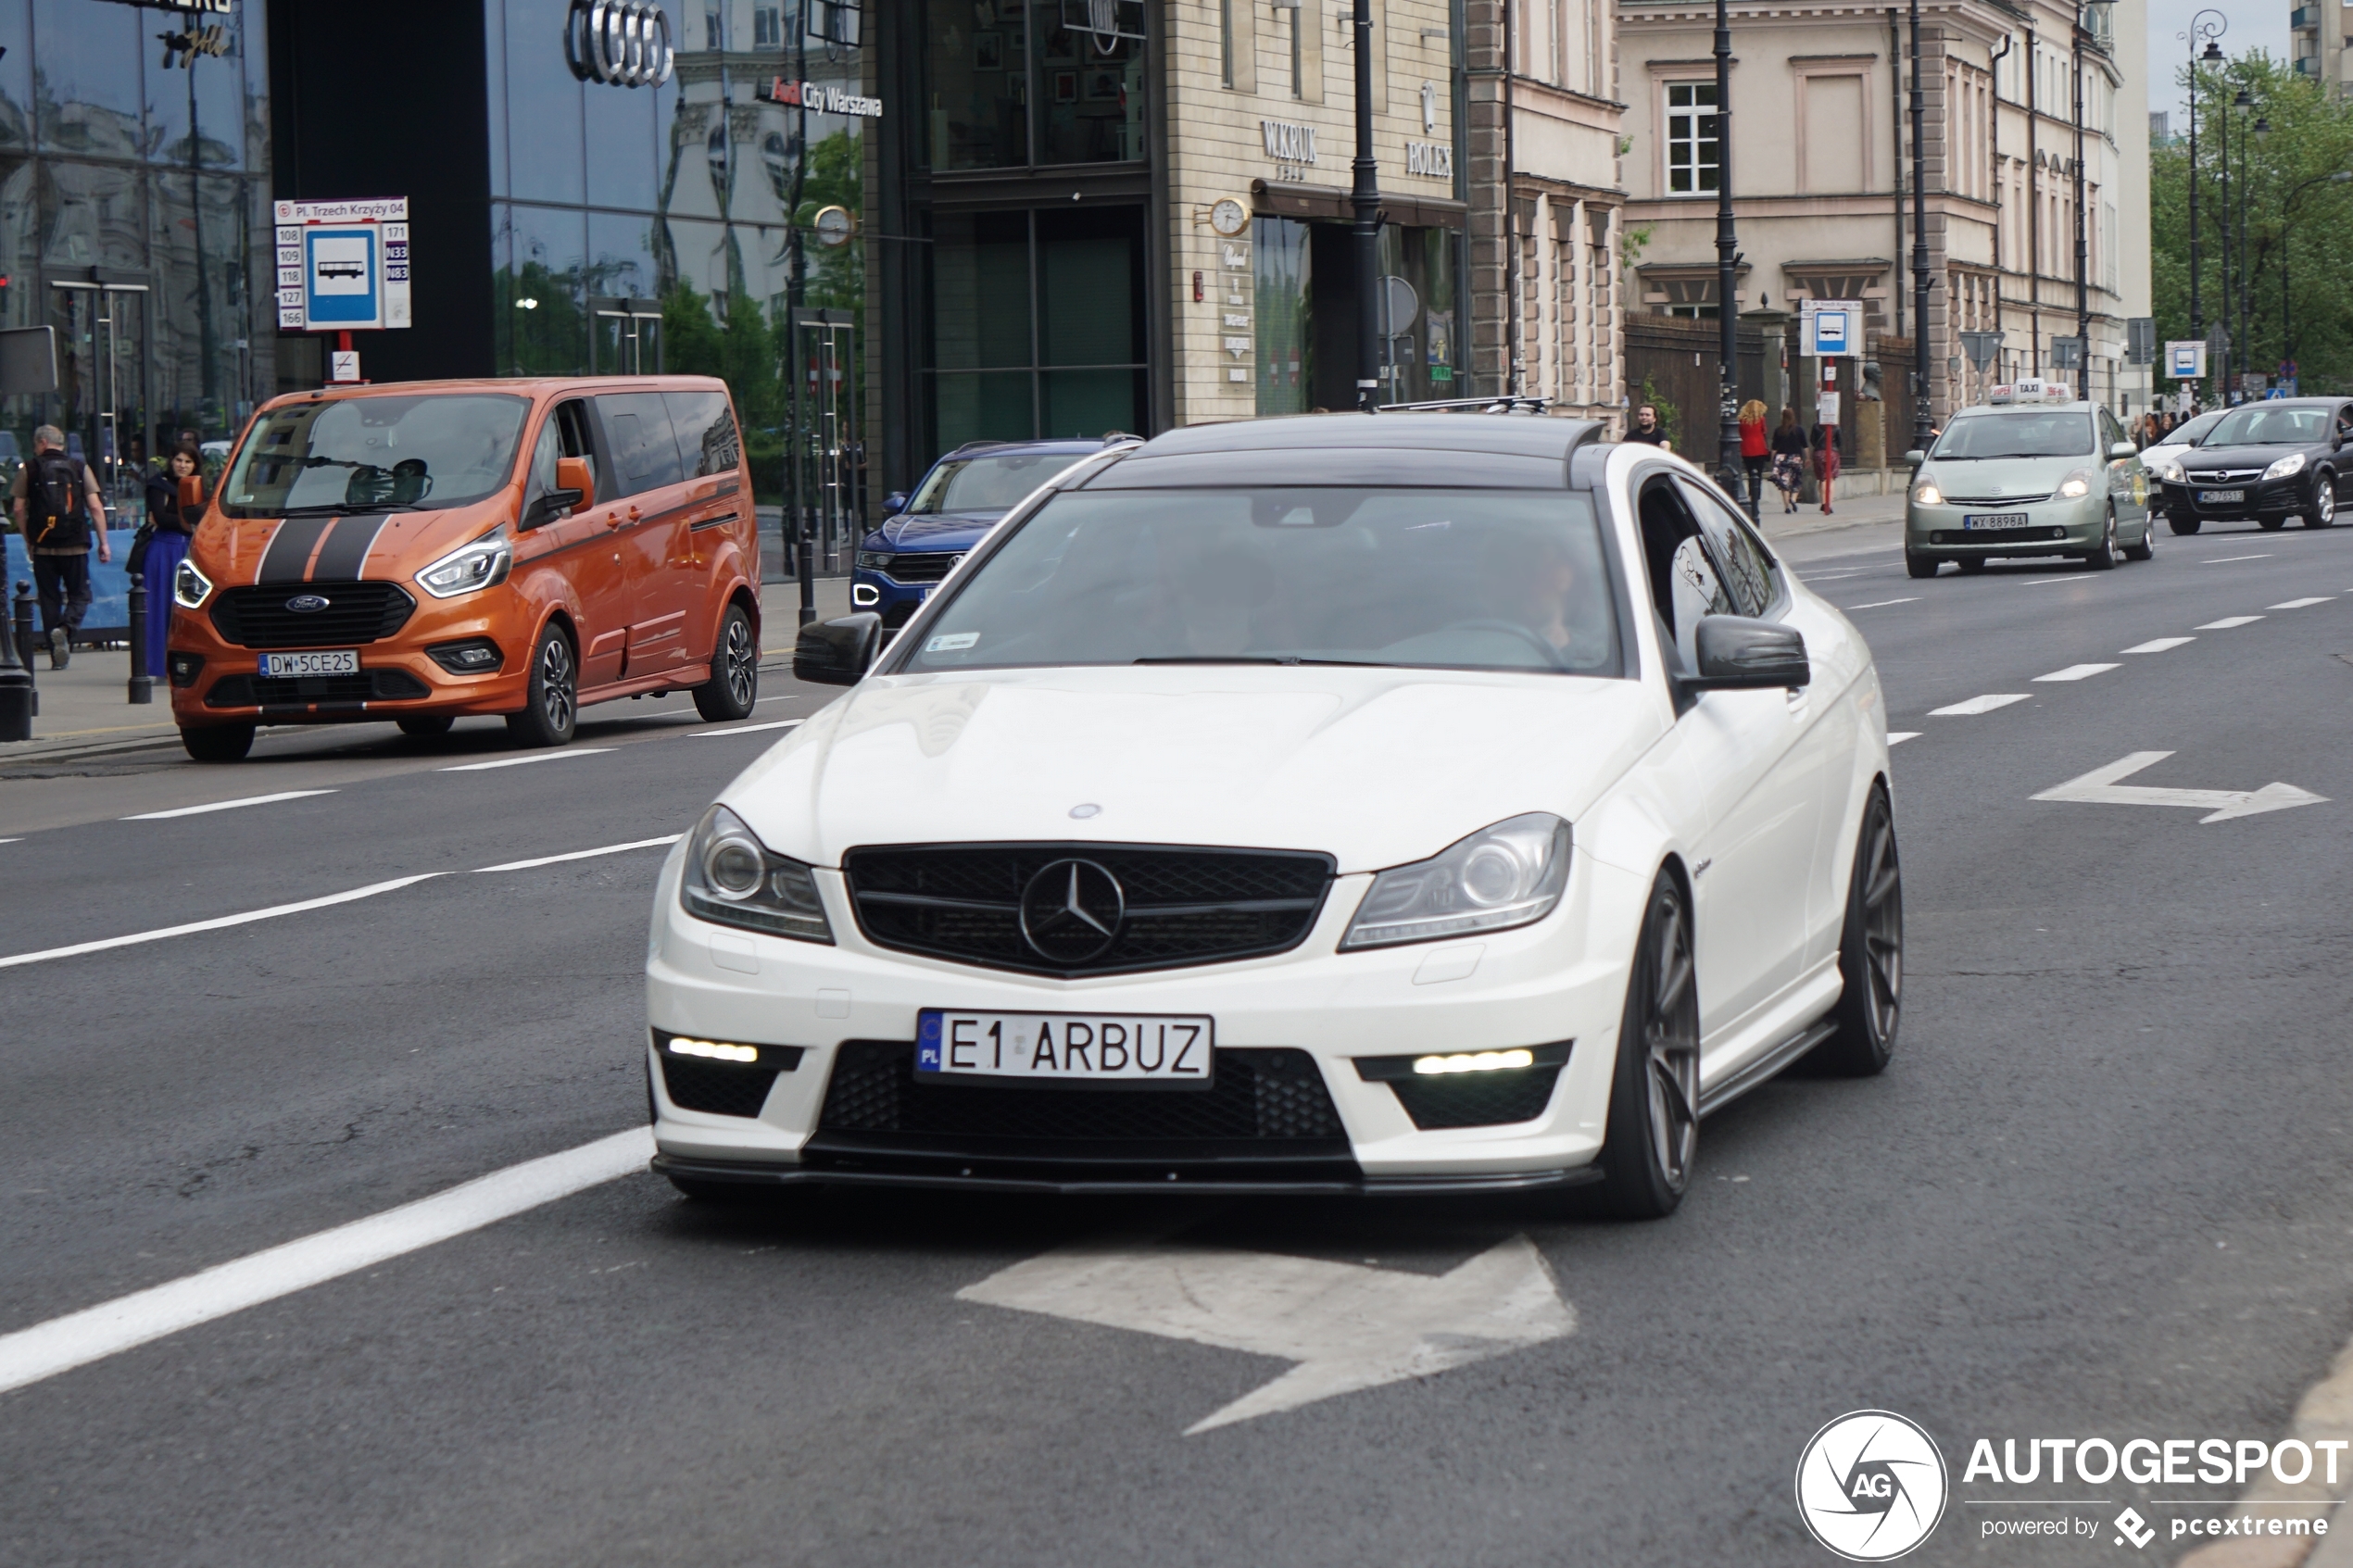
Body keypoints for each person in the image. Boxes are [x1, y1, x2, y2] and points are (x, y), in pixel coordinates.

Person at [10, 424, 108, 670]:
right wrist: (103, 542)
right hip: (75, 544)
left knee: (49, 598)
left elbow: (18, 509)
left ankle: (56, 656)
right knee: (80, 594)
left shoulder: (30, 469)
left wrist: (29, 540)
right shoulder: (79, 467)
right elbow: (95, 507)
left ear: (42, 442)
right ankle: (66, 628)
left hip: (43, 547)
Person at [140, 445, 202, 678]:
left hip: (191, 548)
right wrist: (192, 523)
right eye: (178, 459)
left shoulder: (199, 485)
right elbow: (161, 517)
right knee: (159, 607)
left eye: (188, 461)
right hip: (164, 550)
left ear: (195, 465)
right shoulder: (158, 484)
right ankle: (156, 665)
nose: (182, 465)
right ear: (171, 460)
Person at [1769, 408, 1809, 514]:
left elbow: (1774, 448)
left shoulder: (1779, 430)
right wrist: (1808, 458)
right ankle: (1793, 498)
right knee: (1797, 480)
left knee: (1784, 482)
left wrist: (1772, 459)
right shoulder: (1799, 430)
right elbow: (1805, 446)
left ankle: (1787, 506)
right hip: (1796, 458)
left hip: (1782, 458)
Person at [1737, 399, 1769, 503]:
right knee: (1758, 474)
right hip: (1759, 449)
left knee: (1750, 473)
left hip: (1746, 449)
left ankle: (1751, 492)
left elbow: (1739, 433)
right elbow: (1764, 432)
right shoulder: (1761, 419)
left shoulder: (1741, 420)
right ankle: (1756, 495)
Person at [1811, 417, 1842, 515]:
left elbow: (1812, 440)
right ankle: (1828, 504)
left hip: (1819, 453)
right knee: (1830, 479)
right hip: (1832, 453)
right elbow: (1840, 442)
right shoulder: (1836, 427)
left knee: (1821, 479)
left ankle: (1823, 501)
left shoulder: (1816, 426)